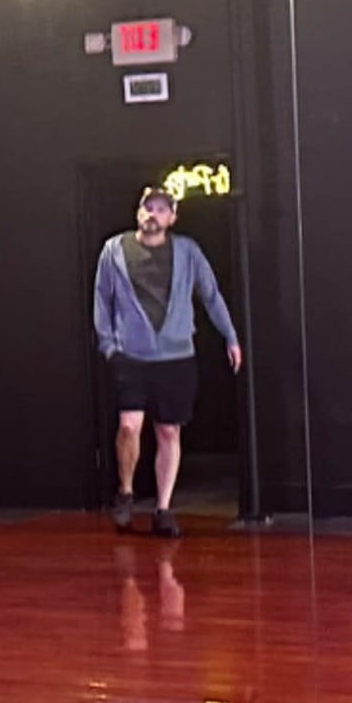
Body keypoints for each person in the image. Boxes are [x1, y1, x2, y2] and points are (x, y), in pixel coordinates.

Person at [94, 185, 238, 537]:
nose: (152, 214)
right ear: (138, 212)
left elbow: (210, 293)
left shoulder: (187, 251)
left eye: (161, 209)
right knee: (129, 425)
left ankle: (163, 508)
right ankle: (126, 492)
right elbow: (102, 299)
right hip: (131, 354)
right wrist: (109, 345)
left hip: (175, 355)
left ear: (172, 217)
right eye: (148, 208)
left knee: (168, 430)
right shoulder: (114, 250)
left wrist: (230, 336)